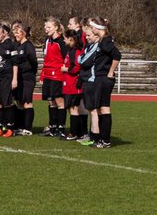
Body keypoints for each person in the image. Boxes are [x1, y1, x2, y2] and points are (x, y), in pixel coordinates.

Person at [78, 18, 121, 148]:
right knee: (101, 109)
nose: (91, 29)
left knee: (104, 109)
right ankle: (102, 139)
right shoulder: (102, 40)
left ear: (98, 28)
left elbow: (117, 55)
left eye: (93, 27)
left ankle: (105, 140)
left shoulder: (105, 41)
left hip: (104, 78)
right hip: (99, 77)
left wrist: (110, 71)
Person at [39, 17, 68, 138]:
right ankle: (52, 126)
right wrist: (42, 74)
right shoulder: (47, 40)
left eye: (49, 27)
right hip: (47, 74)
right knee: (51, 101)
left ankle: (61, 128)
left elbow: (66, 57)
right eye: (45, 27)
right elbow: (46, 58)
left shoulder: (61, 41)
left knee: (59, 101)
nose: (46, 29)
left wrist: (64, 69)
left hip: (57, 75)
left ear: (56, 27)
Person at [9, 21, 38, 136]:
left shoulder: (28, 45)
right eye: (15, 33)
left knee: (27, 101)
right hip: (18, 77)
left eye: (18, 33)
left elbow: (33, 61)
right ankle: (20, 126)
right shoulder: (16, 45)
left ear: (24, 33)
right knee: (19, 102)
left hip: (27, 77)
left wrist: (30, 71)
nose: (16, 35)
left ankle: (28, 128)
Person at [59, 27, 86, 140]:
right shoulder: (72, 50)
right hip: (69, 84)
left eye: (65, 39)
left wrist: (65, 69)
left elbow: (76, 67)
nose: (64, 41)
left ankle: (73, 133)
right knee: (73, 108)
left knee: (73, 108)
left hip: (73, 85)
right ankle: (79, 132)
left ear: (70, 39)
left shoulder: (75, 51)